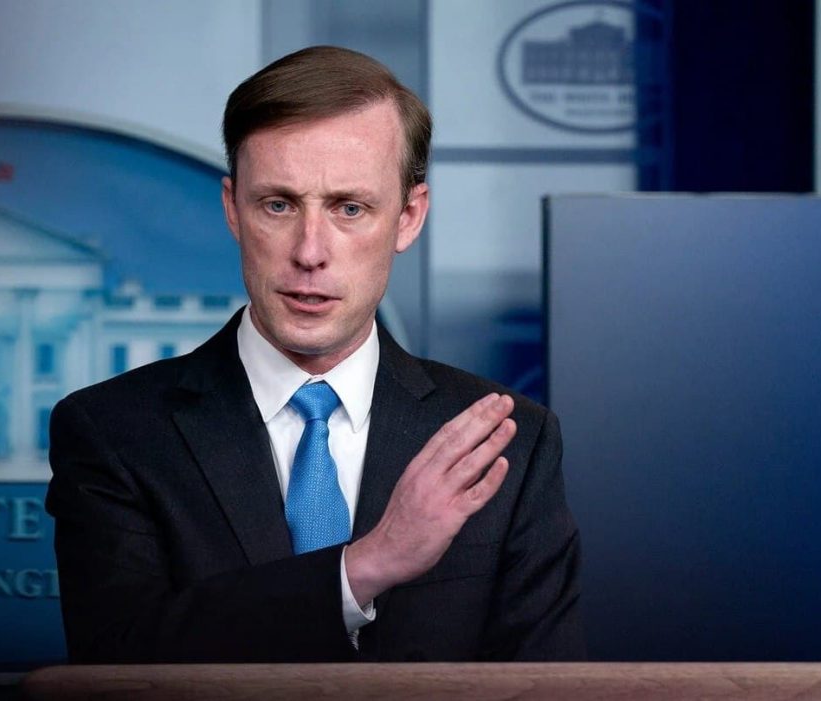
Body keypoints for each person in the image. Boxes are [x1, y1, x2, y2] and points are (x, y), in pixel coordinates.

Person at [46, 45, 584, 663]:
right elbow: (116, 665)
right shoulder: (115, 432)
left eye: (349, 208)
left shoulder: (513, 442)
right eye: (278, 205)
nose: (309, 252)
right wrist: (363, 568)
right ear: (232, 209)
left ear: (409, 217)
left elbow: (542, 684)